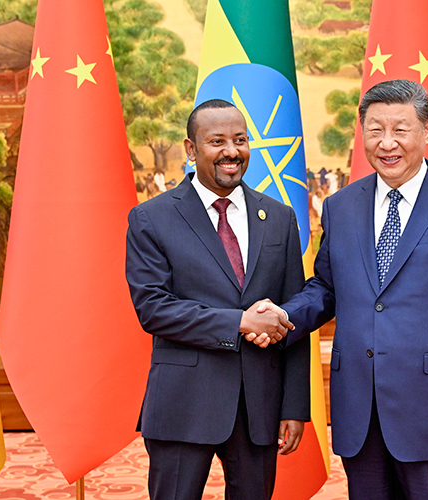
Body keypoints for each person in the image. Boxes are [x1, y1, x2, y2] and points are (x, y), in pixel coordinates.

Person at [261, 80, 428, 500]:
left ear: (426, 131)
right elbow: (327, 287)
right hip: (360, 410)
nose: (387, 142)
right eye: (375, 130)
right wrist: (283, 316)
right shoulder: (341, 206)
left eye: (401, 129)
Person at [125, 99, 309, 500]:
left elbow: (294, 314)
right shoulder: (151, 218)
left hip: (259, 407)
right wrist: (239, 322)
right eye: (217, 141)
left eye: (240, 140)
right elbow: (153, 308)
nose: (232, 151)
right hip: (183, 403)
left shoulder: (279, 217)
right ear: (191, 149)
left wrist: (294, 406)